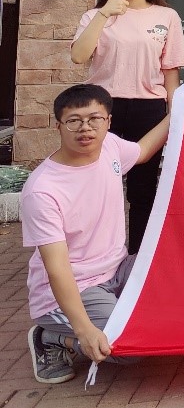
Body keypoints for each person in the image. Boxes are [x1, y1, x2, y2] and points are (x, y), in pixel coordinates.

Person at [21, 84, 172, 384]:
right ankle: (50, 336)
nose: (85, 128)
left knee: (183, 281)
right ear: (58, 126)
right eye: (74, 121)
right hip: (74, 288)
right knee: (129, 346)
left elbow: (143, 151)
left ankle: (105, 318)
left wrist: (181, 108)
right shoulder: (42, 191)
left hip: (117, 268)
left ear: (108, 121)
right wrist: (83, 331)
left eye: (94, 119)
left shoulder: (110, 147)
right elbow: (57, 268)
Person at [70, 0, 184, 255]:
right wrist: (104, 15)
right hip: (101, 109)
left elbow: (171, 73)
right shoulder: (95, 15)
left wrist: (173, 114)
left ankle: (137, 257)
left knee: (142, 189)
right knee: (96, 185)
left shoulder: (167, 16)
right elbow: (79, 56)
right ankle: (95, 255)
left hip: (149, 110)